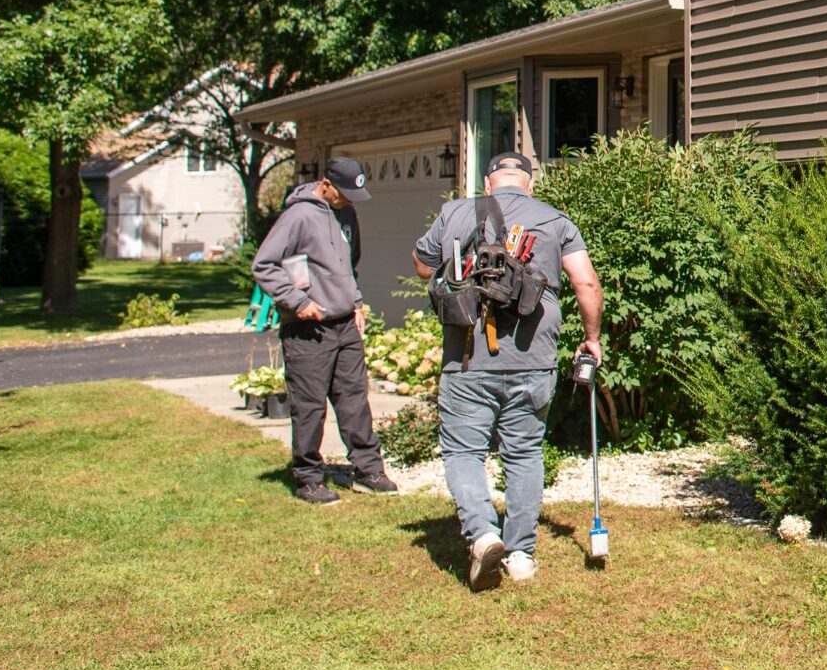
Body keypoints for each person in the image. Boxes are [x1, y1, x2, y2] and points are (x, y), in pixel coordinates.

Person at [412, 149, 603, 590]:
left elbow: (421, 264)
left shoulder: (454, 212)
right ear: (530, 184)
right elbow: (586, 282)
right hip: (533, 360)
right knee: (524, 452)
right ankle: (520, 556)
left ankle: (482, 534)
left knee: (464, 451)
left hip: (466, 360)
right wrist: (592, 338)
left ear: (487, 184)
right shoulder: (555, 220)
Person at [252, 155, 394, 505]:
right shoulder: (298, 216)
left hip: (345, 325)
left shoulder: (346, 212)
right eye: (343, 194)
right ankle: (308, 478)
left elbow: (349, 265)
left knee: (354, 399)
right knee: (310, 405)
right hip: (307, 329)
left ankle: (368, 471)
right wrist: (298, 302)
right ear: (326, 185)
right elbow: (265, 264)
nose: (348, 201)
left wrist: (356, 302)